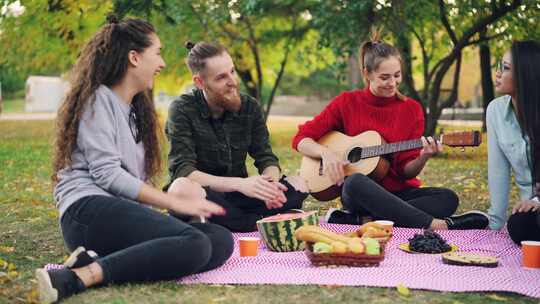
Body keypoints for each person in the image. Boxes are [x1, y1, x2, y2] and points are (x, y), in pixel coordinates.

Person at [36, 15, 233, 303]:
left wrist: (176, 218)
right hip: (86, 211)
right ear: (134, 58)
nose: (162, 63)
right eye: (158, 52)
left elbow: (131, 189)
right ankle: (76, 278)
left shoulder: (134, 111)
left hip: (114, 214)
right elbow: (107, 175)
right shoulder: (98, 99)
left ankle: (93, 261)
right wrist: (173, 203)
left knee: (219, 239)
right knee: (196, 243)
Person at [292, 36, 489, 230]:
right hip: (360, 195)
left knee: (448, 199)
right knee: (354, 182)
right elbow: (301, 139)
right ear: (367, 73)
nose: (393, 83)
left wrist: (424, 157)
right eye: (384, 77)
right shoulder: (346, 103)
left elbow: (405, 171)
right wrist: (326, 153)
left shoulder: (412, 110)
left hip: (399, 194)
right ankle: (435, 224)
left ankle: (362, 221)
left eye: (397, 75)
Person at [165, 41, 309, 232]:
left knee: (299, 184)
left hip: (241, 199)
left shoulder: (250, 107)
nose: (232, 81)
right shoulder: (182, 109)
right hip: (205, 195)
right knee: (181, 189)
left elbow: (266, 158)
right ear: (200, 82)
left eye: (232, 71)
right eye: (221, 77)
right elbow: (184, 170)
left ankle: (236, 222)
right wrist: (240, 184)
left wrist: (270, 188)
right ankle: (254, 222)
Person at [487, 40, 540, 244]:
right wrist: (494, 226)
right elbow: (498, 172)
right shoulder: (495, 111)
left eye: (506, 68)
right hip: (530, 214)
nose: (498, 73)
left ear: (526, 75)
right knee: (518, 226)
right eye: (500, 66)